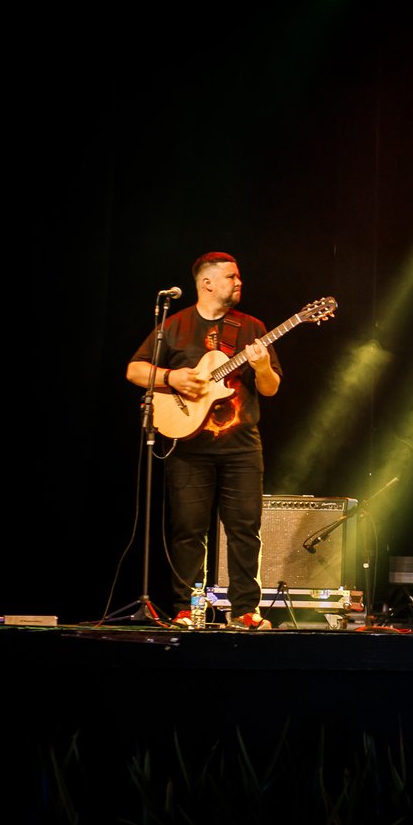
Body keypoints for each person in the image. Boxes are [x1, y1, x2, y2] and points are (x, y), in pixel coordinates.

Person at [126, 253, 282, 630]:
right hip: (189, 447)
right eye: (231, 276)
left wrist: (261, 366)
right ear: (207, 283)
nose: (239, 281)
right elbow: (134, 369)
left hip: (242, 446)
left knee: (245, 530)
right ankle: (186, 609)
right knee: (188, 530)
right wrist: (172, 379)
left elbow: (271, 388)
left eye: (239, 276)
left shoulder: (252, 327)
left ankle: (246, 611)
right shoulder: (175, 325)